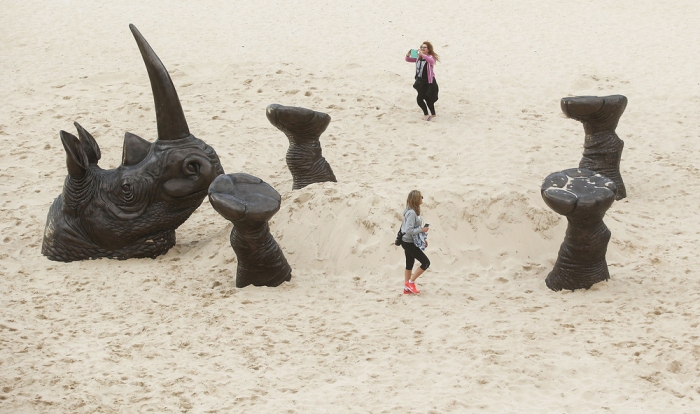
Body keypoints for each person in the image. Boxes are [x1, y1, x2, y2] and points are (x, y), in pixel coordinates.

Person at [400, 190, 431, 294]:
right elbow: (409, 230)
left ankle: (406, 288)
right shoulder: (412, 213)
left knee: (409, 263)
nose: (422, 199)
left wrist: (423, 239)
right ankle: (410, 282)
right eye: (420, 197)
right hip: (408, 242)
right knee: (426, 262)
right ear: (416, 199)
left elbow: (412, 228)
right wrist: (422, 230)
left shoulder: (410, 210)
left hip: (408, 241)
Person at [405, 41, 440, 121]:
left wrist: (423, 55)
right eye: (421, 47)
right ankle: (427, 114)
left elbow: (432, 61)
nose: (422, 48)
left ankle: (432, 114)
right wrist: (408, 54)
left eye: (424, 47)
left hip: (429, 82)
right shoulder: (418, 57)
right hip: (421, 82)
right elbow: (407, 59)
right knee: (420, 99)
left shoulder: (430, 57)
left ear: (428, 49)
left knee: (429, 99)